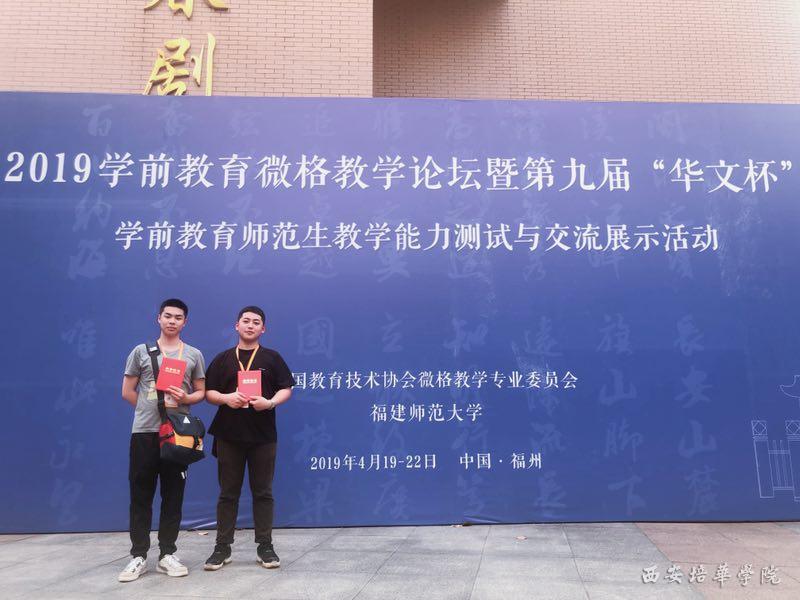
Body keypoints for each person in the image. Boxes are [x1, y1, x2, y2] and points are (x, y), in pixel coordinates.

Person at [118, 299, 206, 582]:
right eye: (167, 316)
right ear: (158, 318)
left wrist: (185, 398)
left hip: (178, 434)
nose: (172, 321)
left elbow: (201, 391)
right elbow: (127, 391)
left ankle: (167, 553)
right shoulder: (140, 352)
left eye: (178, 317)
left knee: (173, 495)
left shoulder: (193, 354)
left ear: (185, 322)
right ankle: (138, 555)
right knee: (140, 494)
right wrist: (151, 409)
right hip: (145, 432)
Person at [203, 306, 295, 570]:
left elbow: (286, 388)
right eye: (246, 321)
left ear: (263, 329)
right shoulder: (223, 359)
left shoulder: (272, 358)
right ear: (237, 325)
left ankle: (265, 546)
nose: (250, 325)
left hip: (263, 435)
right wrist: (226, 398)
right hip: (229, 435)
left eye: (256, 322)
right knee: (227, 493)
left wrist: (270, 402)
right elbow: (209, 392)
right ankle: (222, 547)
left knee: (263, 492)